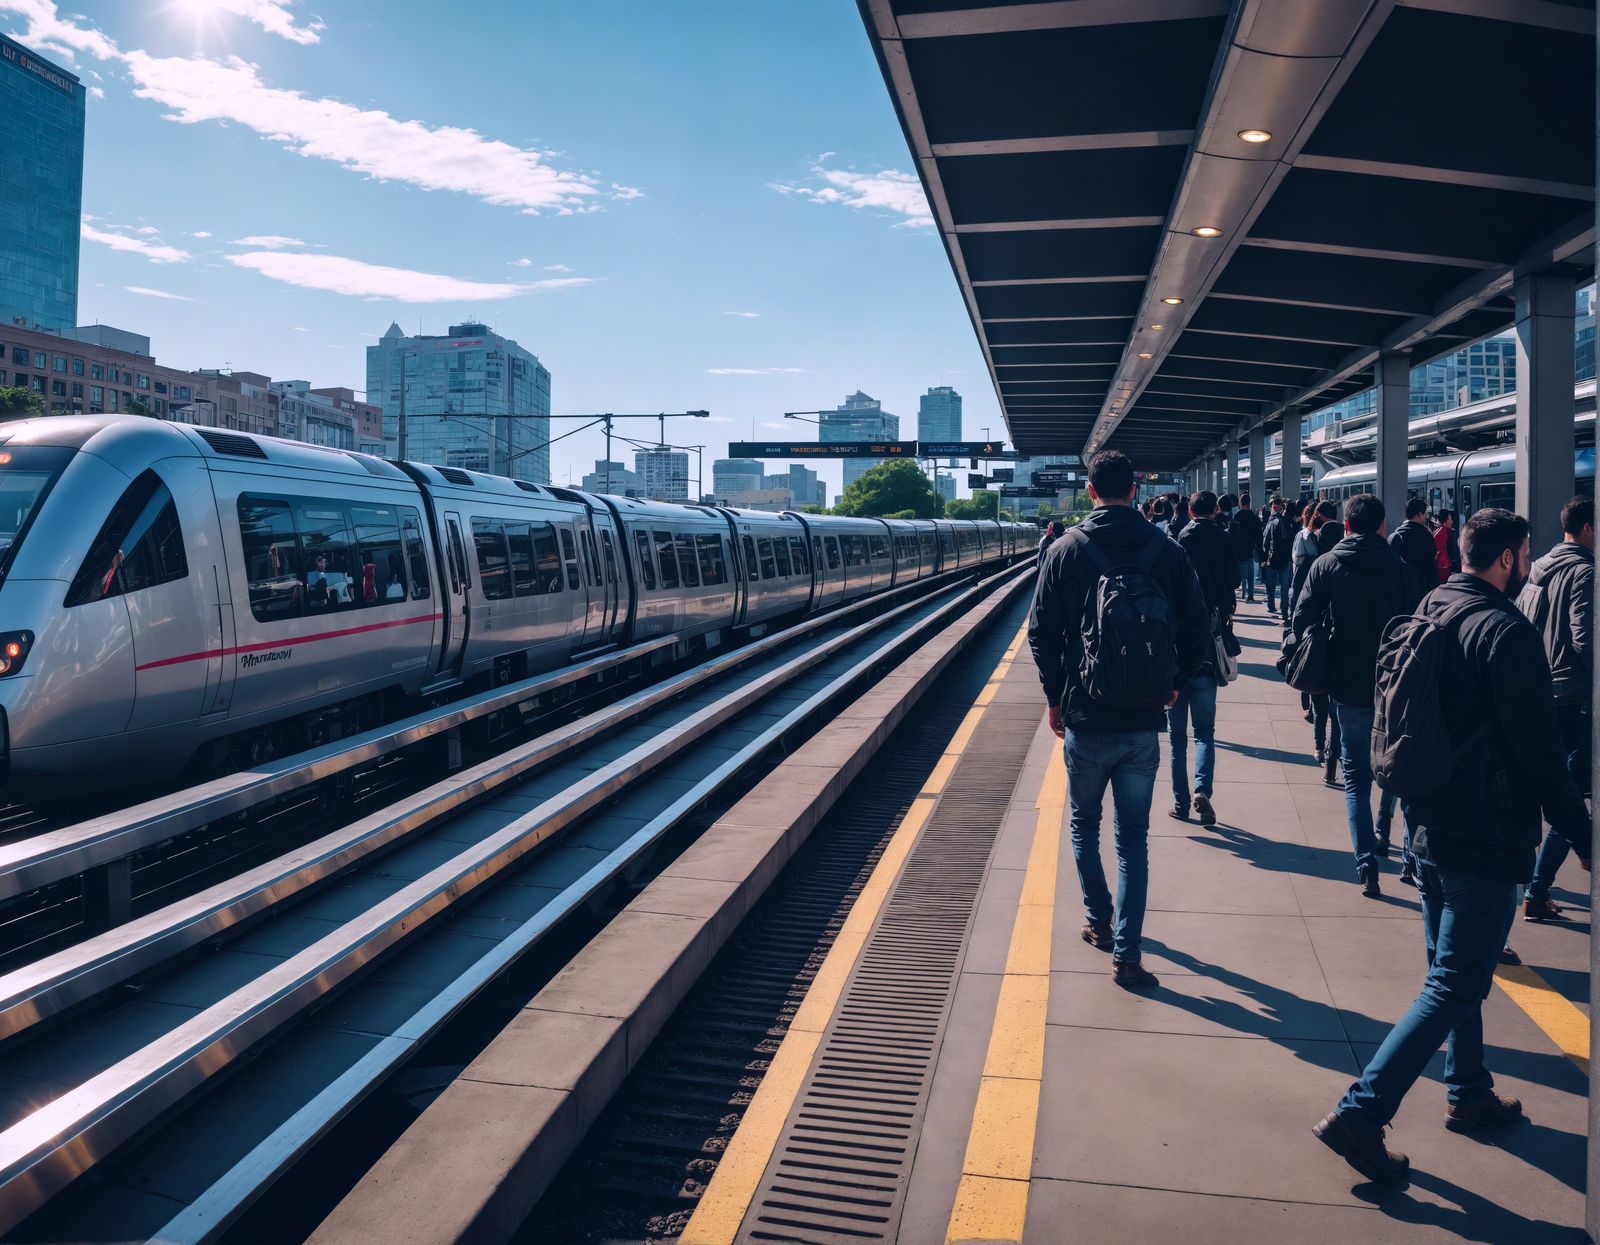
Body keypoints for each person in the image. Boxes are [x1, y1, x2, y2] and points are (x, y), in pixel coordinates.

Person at [1313, 508, 1591, 1183]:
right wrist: (1583, 836)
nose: (1527, 563)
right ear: (1507, 558)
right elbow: (1539, 753)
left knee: (1451, 972)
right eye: (1524, 554)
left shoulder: (1432, 604)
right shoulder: (1506, 632)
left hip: (1427, 820)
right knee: (1453, 983)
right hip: (1486, 834)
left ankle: (1468, 1090)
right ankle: (1362, 1112)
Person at [1029, 450, 1210, 990]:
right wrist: (1174, 682)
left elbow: (1043, 634)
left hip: (1085, 714)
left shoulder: (1063, 550)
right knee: (1133, 838)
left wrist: (1056, 697)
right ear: (1134, 490)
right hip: (1142, 721)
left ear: (1090, 491)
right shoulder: (1168, 549)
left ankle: (1098, 922)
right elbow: (1199, 628)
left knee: (1085, 824)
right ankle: (1128, 957)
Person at [1290, 494, 1418, 896]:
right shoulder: (1400, 569)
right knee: (1398, 771)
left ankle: (1366, 864)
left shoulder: (1326, 565)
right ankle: (1393, 842)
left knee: (1357, 778)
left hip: (1346, 686)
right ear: (1383, 527)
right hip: (1393, 686)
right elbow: (1416, 625)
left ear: (1345, 526)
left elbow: (1301, 619)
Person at [1521, 495, 1594, 922]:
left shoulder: (1539, 568)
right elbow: (1585, 637)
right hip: (1574, 699)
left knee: (1558, 794)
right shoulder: (1585, 572)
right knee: (1569, 800)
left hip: (1544, 693)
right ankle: (1536, 890)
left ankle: (1534, 890)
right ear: (1587, 529)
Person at [1168, 490, 1238, 826]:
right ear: (1214, 511)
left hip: (1179, 651)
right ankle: (1202, 789)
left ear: (1191, 511)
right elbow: (1234, 579)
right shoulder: (1224, 539)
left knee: (1177, 738)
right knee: (1205, 732)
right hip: (1210, 647)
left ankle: (1181, 804)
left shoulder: (1180, 540)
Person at [1389, 497, 1438, 598]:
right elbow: (1431, 570)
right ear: (1420, 514)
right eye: (1425, 514)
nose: (1425, 517)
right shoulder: (1427, 537)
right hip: (1421, 594)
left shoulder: (1394, 537)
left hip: (1399, 594)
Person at [1261, 496, 1295, 615]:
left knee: (1271, 586)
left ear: (1273, 507)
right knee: (1284, 587)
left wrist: (1264, 558)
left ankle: (1271, 606)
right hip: (1285, 559)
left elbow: (1265, 542)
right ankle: (1284, 611)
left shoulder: (1271, 522)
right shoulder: (1288, 521)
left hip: (1272, 558)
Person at [1231, 491, 1263, 603]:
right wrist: (1259, 548)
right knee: (1250, 573)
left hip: (1239, 550)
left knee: (1241, 573)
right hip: (1250, 549)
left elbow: (1233, 534)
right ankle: (1250, 595)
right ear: (1249, 503)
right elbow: (1259, 534)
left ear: (1240, 502)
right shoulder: (1254, 518)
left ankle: (1243, 591)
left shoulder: (1236, 517)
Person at [1434, 509, 1460, 584]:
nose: (1452, 521)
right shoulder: (1442, 532)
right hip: (1444, 570)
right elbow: (1441, 553)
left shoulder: (1444, 531)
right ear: (1444, 521)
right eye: (1449, 519)